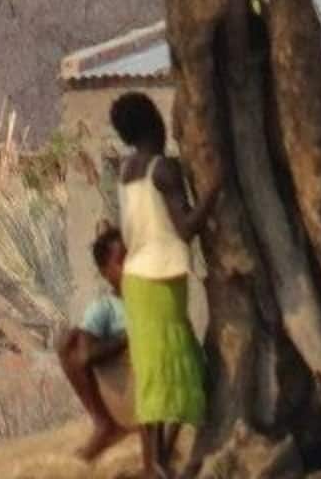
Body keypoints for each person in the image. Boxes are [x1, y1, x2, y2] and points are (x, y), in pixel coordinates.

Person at [110, 92, 219, 478]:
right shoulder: (162, 169)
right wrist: (214, 190)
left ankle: (155, 461)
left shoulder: (127, 171)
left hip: (138, 278)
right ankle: (156, 463)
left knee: (158, 368)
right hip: (159, 279)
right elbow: (186, 228)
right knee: (175, 366)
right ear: (153, 123)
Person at [58, 224, 133, 461]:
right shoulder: (104, 309)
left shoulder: (153, 295)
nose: (131, 269)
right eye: (122, 262)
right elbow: (85, 356)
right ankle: (103, 424)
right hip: (125, 393)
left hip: (158, 390)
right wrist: (129, 337)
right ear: (105, 272)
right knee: (68, 341)